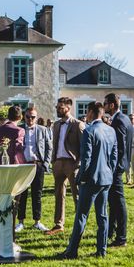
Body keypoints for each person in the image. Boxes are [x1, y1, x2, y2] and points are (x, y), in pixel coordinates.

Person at [60, 102, 117, 259]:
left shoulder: (89, 131)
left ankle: (72, 251)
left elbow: (86, 157)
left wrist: (81, 177)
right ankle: (101, 250)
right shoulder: (111, 131)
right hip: (106, 178)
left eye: (88, 111)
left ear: (91, 112)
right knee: (102, 216)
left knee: (81, 216)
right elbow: (114, 157)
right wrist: (109, 173)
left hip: (91, 179)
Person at [46, 97, 85, 236]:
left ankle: (80, 225)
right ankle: (58, 224)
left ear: (68, 108)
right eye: (57, 107)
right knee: (58, 194)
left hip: (72, 164)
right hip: (58, 163)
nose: (58, 109)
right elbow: (54, 143)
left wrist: (78, 163)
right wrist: (53, 160)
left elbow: (84, 147)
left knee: (77, 195)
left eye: (61, 108)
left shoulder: (78, 124)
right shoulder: (56, 125)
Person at [15, 107, 52, 233]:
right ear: (24, 117)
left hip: (38, 165)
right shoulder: (19, 129)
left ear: (36, 118)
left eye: (33, 117)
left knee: (37, 194)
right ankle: (20, 222)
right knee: (21, 194)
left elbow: (49, 147)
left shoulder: (43, 130)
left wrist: (45, 163)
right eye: (28, 117)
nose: (30, 119)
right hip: (23, 165)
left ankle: (37, 221)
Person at [104, 93, 132, 248]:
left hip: (116, 166)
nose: (104, 106)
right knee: (113, 201)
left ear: (112, 105)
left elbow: (120, 147)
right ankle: (111, 231)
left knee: (118, 202)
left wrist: (112, 166)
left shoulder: (119, 121)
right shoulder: (124, 118)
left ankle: (121, 237)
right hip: (120, 165)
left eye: (105, 103)